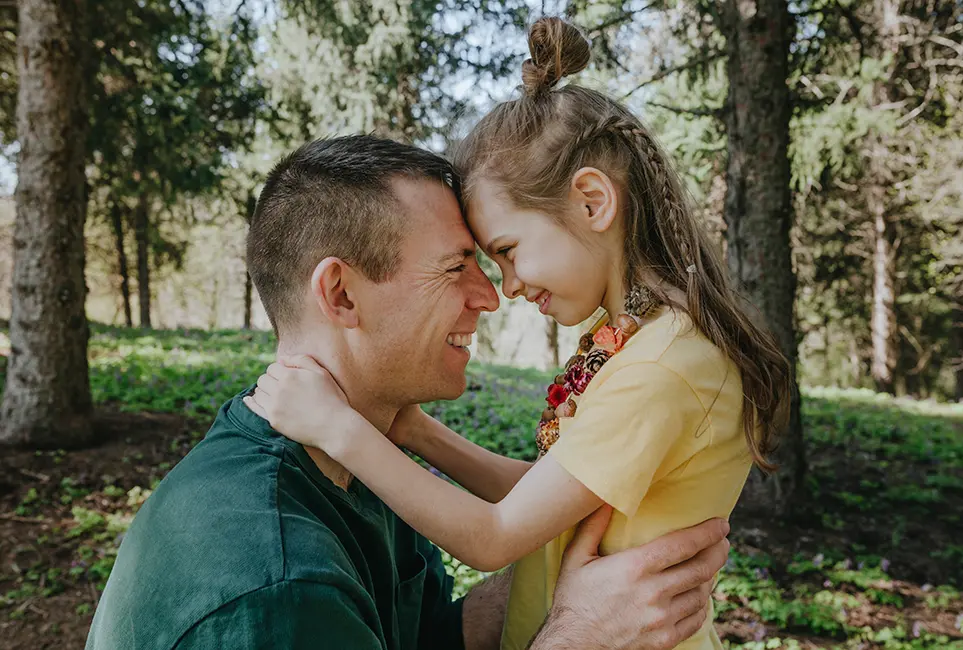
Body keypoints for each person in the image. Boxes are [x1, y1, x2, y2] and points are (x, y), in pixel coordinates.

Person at [247, 16, 793, 650]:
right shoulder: (638, 342)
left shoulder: (665, 366)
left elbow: (497, 535)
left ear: (592, 202)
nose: (505, 287)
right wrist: (418, 433)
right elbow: (550, 500)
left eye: (507, 250)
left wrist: (337, 428)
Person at [85, 135, 731, 650]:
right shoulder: (276, 590)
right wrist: (577, 636)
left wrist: (579, 586)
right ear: (341, 295)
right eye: (457, 268)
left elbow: (428, 637)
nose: (493, 296)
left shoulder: (358, 466)